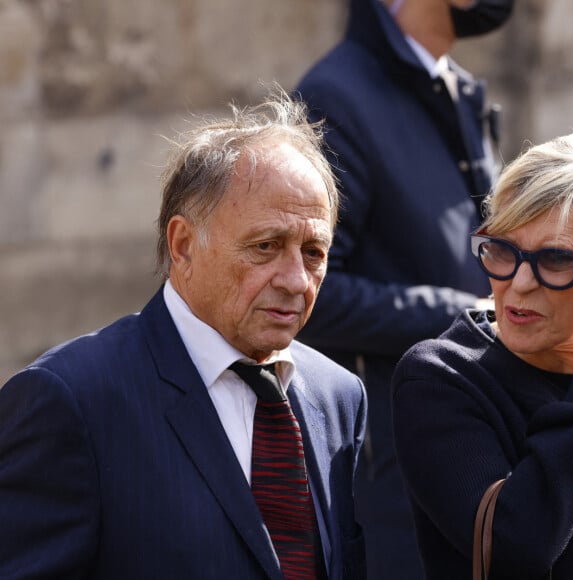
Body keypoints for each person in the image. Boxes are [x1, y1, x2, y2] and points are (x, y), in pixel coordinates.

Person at [0, 87, 367, 579]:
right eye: (265, 246)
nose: (297, 279)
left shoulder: (338, 396)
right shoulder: (73, 399)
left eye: (313, 253)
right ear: (183, 244)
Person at [293, 0, 514, 577]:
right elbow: (308, 292)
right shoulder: (334, 98)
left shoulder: (456, 87)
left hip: (476, 451)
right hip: (391, 475)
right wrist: (464, 314)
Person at [392, 131, 573, 579]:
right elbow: (515, 548)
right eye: (502, 250)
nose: (518, 284)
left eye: (554, 260)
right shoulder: (441, 378)